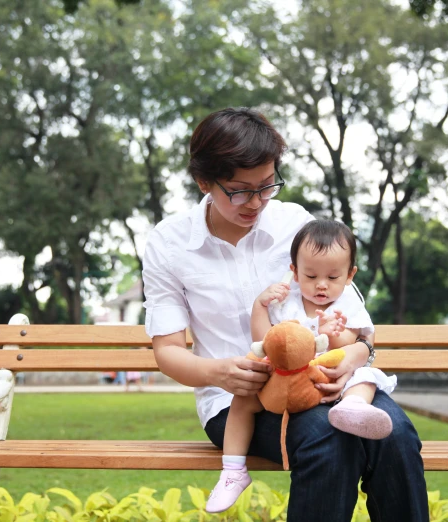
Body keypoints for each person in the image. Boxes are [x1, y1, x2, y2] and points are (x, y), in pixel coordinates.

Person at [143, 107, 428, 522]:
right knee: (329, 437)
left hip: (320, 380)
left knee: (396, 434)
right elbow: (168, 351)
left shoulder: (295, 223)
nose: (256, 202)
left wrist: (357, 355)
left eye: (267, 185)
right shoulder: (169, 244)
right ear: (204, 181)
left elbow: (348, 313)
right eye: (240, 190)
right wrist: (220, 372)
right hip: (236, 403)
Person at [206, 220, 398, 512]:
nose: (322, 284)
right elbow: (265, 339)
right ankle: (233, 471)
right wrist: (260, 306)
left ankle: (354, 407)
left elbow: (354, 341)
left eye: (333, 276)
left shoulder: (347, 303)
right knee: (242, 398)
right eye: (311, 275)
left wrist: (334, 332)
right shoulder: (286, 303)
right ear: (294, 272)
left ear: (350, 275)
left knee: (364, 377)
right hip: (284, 380)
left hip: (327, 380)